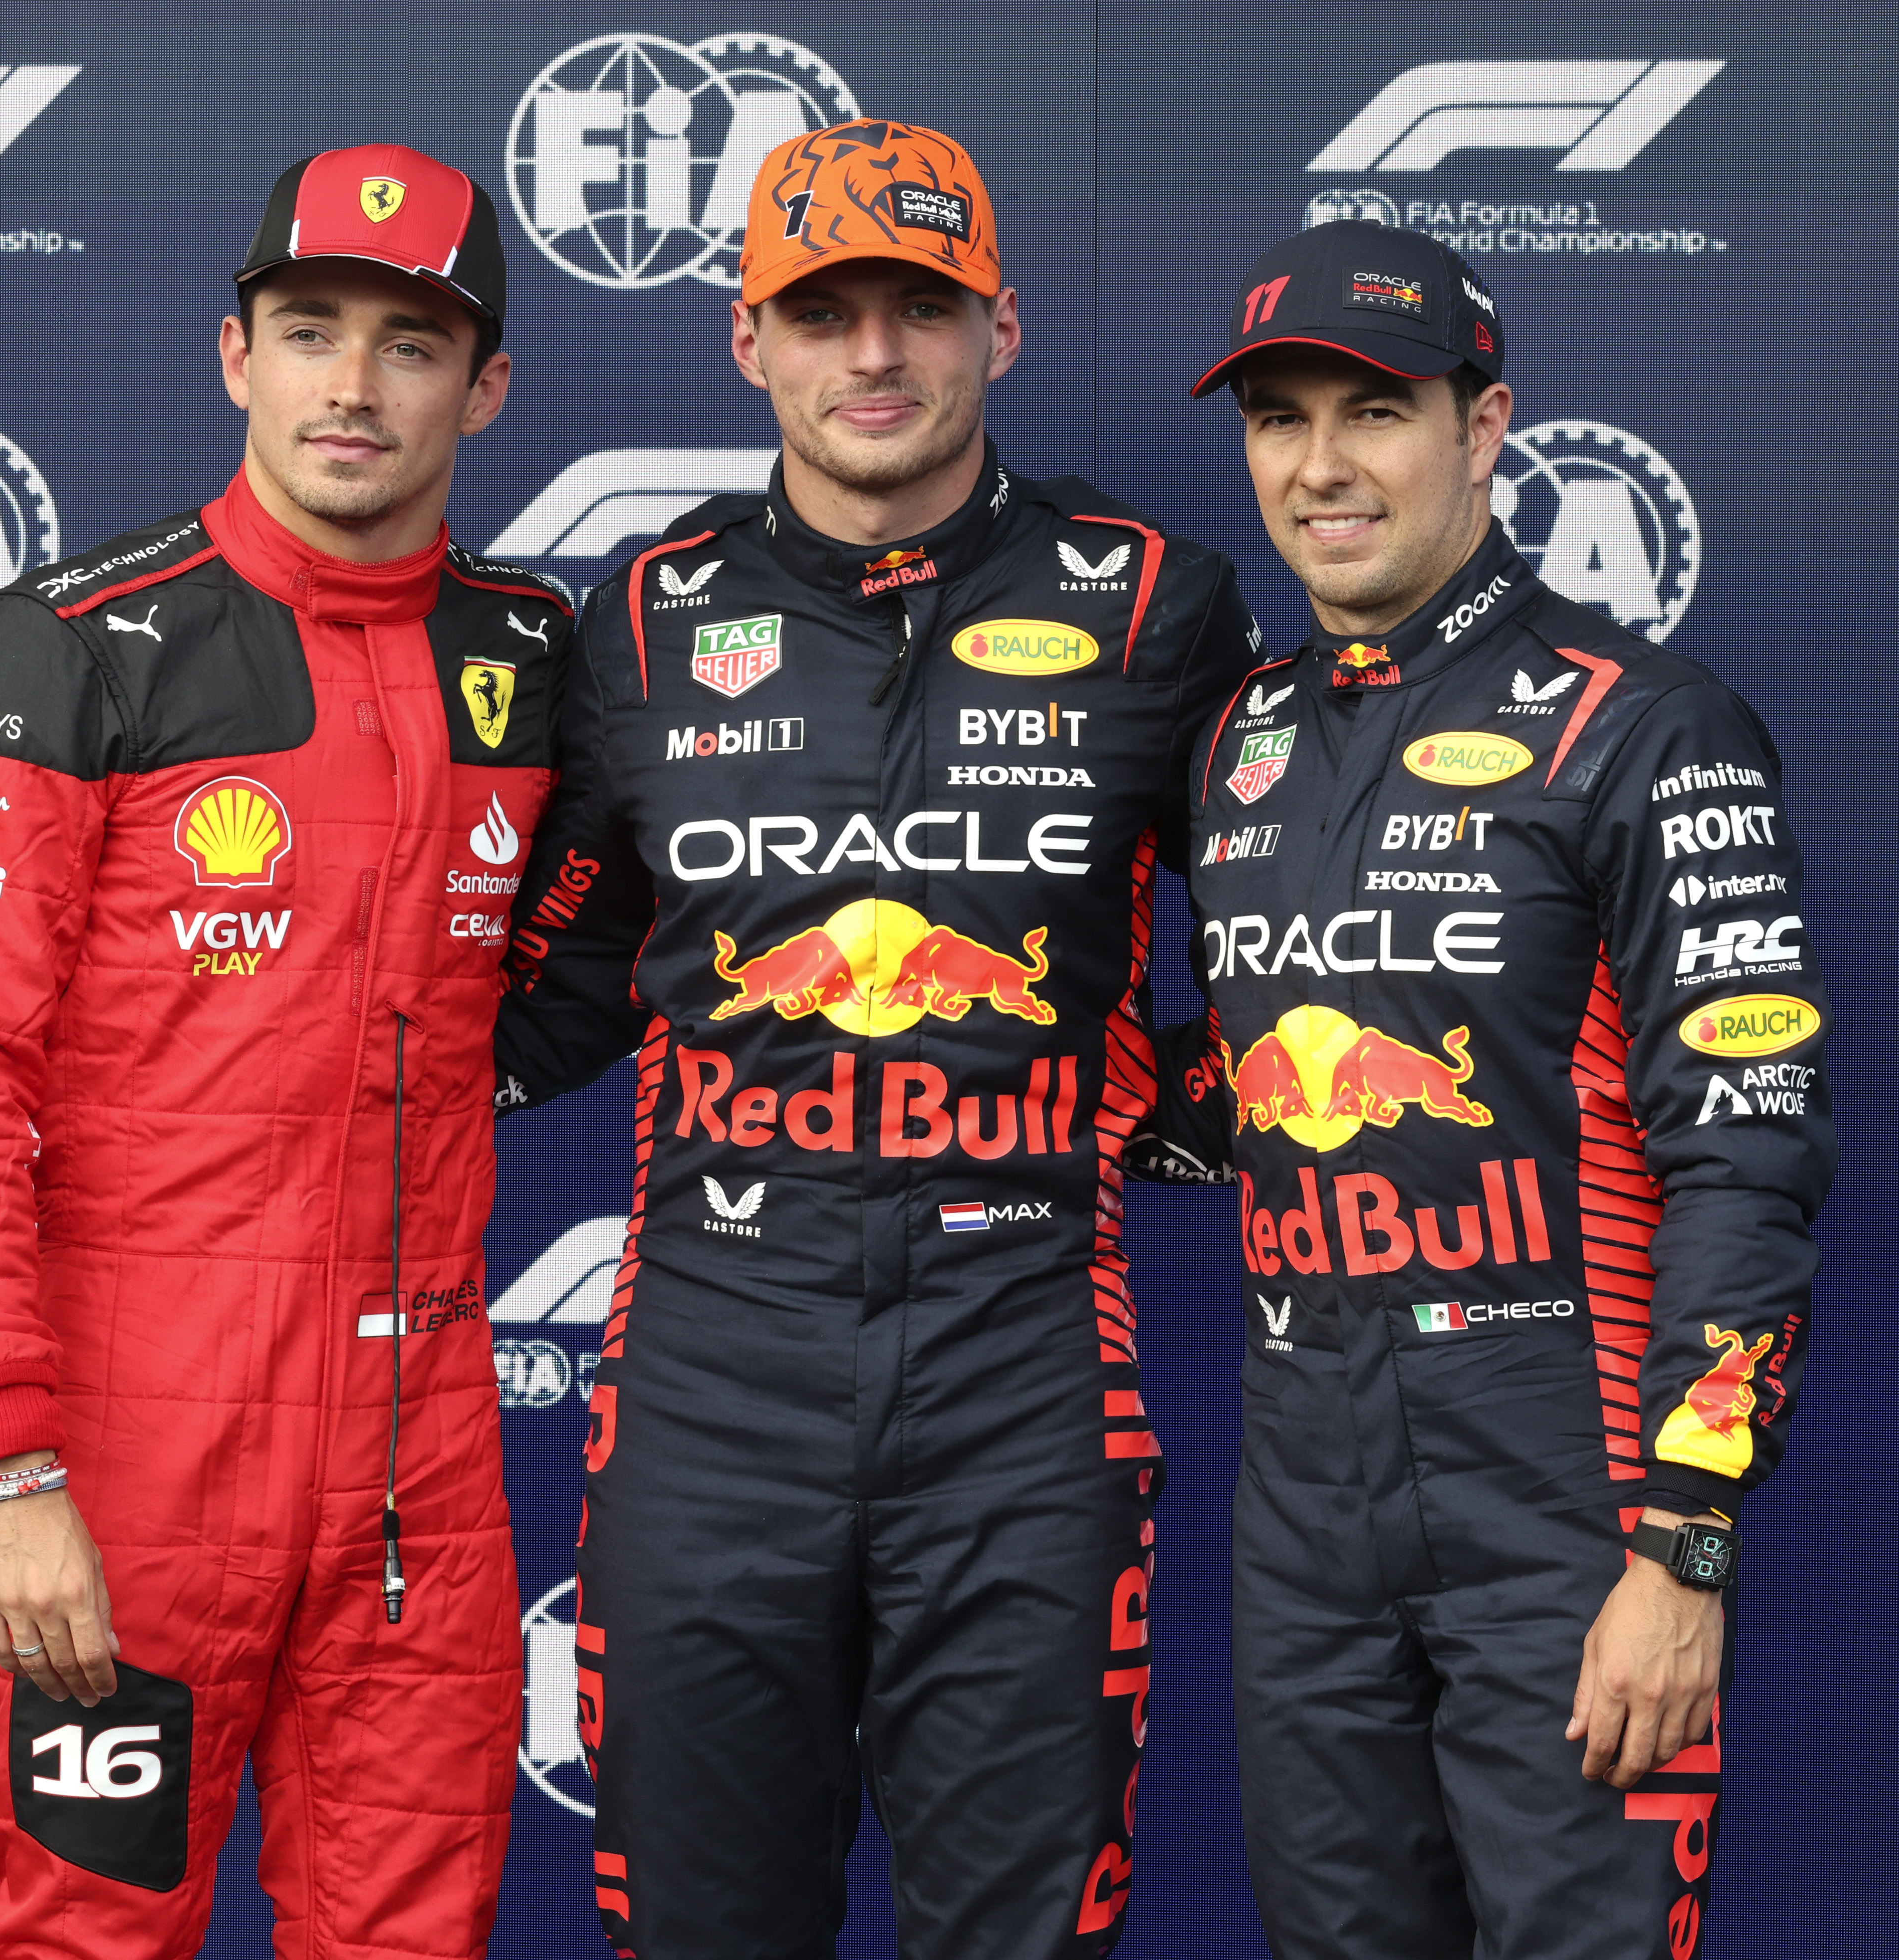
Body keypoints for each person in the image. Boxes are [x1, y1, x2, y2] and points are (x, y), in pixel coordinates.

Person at [491, 118, 1263, 1958]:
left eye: (919, 306)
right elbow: (564, 971)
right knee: (695, 1925)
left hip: (1023, 1381)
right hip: (706, 1375)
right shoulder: (639, 619)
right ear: (744, 339)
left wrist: (1153, 1111)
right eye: (820, 310)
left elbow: (1282, 943)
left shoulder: (1158, 602)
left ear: (999, 327)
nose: (873, 357)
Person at [0, 144, 574, 1958]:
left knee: (411, 1933)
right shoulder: (63, 650)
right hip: (135, 1460)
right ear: (233, 354)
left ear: (483, 387)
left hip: (421, 1463)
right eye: (311, 329)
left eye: (411, 344)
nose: (354, 384)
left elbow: (608, 950)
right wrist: (11, 1468)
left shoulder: (536, 658)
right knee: (90, 1938)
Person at [1133, 220, 1836, 1957]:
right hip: (1303, 1506)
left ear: (1484, 422)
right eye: (1277, 419)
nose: (1318, 466)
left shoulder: (1645, 725)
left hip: (1566, 1497)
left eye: (1371, 411)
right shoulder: (1240, 740)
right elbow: (1258, 1084)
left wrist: (1681, 1552)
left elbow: (1744, 1160)